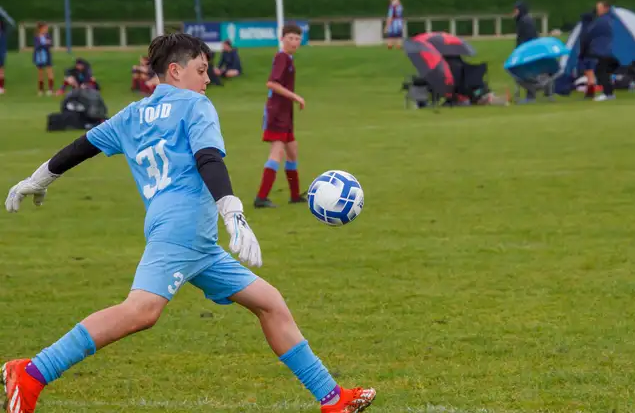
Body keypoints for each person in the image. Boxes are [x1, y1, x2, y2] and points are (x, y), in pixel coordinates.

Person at [2, 32, 376, 413]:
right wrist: (232, 211)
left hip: (197, 242)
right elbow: (209, 158)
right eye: (201, 70)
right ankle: (32, 373)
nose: (208, 79)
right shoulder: (196, 106)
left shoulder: (131, 114)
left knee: (270, 304)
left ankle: (333, 400)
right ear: (176, 71)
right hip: (180, 232)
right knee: (141, 311)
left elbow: (81, 147)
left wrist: (39, 179)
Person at [254, 25, 307, 208]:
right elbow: (271, 83)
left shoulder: (288, 58)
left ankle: (294, 196)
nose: (294, 42)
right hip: (277, 113)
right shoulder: (281, 57)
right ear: (283, 39)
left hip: (285, 113)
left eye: (297, 39)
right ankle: (261, 197)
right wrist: (295, 96)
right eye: (291, 38)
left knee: (292, 151)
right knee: (277, 151)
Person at [512, 1, 545, 103]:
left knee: (523, 75)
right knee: (527, 74)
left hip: (527, 52)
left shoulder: (524, 21)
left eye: (516, 10)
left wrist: (520, 51)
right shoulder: (526, 20)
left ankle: (533, 93)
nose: (514, 12)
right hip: (529, 50)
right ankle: (536, 90)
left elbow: (526, 38)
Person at [585, 0, 617, 102]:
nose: (598, 10)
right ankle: (609, 93)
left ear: (606, 8)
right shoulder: (610, 19)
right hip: (606, 49)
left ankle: (607, 94)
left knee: (601, 71)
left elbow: (590, 31)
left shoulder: (601, 21)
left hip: (602, 50)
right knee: (603, 71)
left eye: (599, 8)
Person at [577, 11, 597, 99]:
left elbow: (583, 43)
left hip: (586, 55)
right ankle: (590, 92)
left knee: (588, 74)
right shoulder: (594, 28)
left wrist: (581, 54)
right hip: (593, 54)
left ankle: (590, 93)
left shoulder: (584, 29)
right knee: (591, 74)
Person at [32, 22, 54, 97]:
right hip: (39, 56)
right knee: (40, 73)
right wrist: (45, 43)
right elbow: (37, 46)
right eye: (45, 28)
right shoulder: (36, 36)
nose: (46, 29)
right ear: (40, 29)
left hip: (47, 55)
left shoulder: (47, 35)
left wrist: (46, 43)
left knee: (49, 72)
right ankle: (41, 90)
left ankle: (50, 89)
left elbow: (50, 44)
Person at [0, 17, 6, 95]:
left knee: (1, 71)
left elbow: (3, 47)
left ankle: (1, 87)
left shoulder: (2, 35)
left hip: (0, 55)